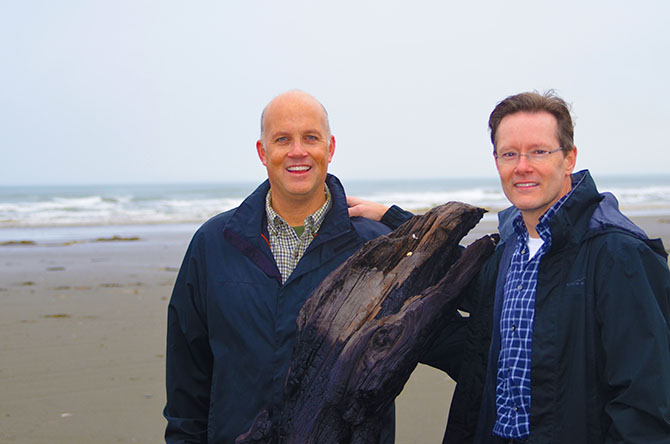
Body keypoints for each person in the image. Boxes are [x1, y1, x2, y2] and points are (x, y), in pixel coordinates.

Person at [163, 90, 411, 443]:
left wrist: (399, 222)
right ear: (263, 152)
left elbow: (453, 318)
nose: (298, 151)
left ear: (330, 147)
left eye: (311, 137)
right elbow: (188, 379)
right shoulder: (213, 243)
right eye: (282, 140)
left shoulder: (377, 247)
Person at [443, 91, 670, 443]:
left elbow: (645, 403)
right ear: (497, 161)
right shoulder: (507, 250)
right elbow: (461, 279)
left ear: (569, 158)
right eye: (510, 154)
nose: (522, 166)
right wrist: (391, 221)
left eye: (538, 151)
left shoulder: (618, 255)